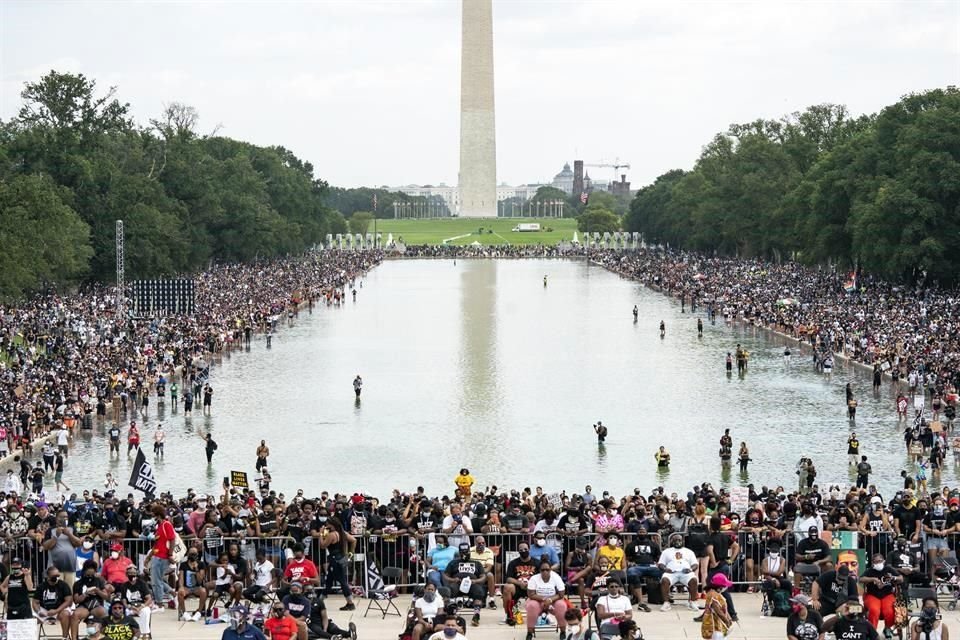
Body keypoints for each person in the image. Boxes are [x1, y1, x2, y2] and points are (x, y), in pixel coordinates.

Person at [860, 552, 902, 638]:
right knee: (874, 610)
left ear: (883, 561)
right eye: (876, 562)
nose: (878, 563)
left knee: (890, 611)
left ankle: (887, 628)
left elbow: (901, 578)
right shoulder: (870, 571)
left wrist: (893, 578)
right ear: (873, 563)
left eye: (880, 561)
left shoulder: (888, 569)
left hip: (887, 594)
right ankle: (872, 631)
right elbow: (861, 579)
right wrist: (872, 579)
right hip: (872, 595)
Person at [524, 560, 568, 640]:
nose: (545, 572)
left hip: (553, 601)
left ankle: (563, 632)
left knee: (561, 605)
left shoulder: (556, 577)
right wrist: (544, 599)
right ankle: (529, 633)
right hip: (538, 601)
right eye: (542, 570)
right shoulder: (534, 578)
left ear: (550, 570)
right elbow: (531, 594)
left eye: (547, 570)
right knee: (531, 606)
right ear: (539, 570)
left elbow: (561, 594)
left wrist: (550, 600)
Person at [657, 533, 700, 612]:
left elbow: (695, 564)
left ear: (683, 541)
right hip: (671, 573)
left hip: (685, 573)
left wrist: (690, 569)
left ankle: (692, 602)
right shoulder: (667, 551)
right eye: (675, 540)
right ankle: (666, 603)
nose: (677, 542)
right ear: (672, 541)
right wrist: (665, 569)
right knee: (664, 580)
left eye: (679, 540)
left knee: (694, 579)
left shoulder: (689, 551)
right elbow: (660, 564)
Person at [144, 503, 176, 607]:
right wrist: (149, 557)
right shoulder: (160, 526)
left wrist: (170, 554)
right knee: (157, 580)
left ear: (157, 514)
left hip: (163, 557)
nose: (152, 516)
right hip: (157, 555)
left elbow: (172, 539)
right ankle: (171, 592)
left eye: (153, 514)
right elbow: (157, 544)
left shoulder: (166, 524)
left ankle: (159, 603)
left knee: (156, 581)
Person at [811, 565, 859, 631]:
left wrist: (845, 606)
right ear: (837, 573)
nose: (840, 581)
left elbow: (855, 600)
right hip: (826, 602)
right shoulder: (830, 574)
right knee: (813, 610)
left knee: (856, 610)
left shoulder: (851, 582)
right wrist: (815, 599)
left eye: (843, 579)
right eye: (839, 578)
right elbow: (815, 583)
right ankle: (819, 630)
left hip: (842, 605)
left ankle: (843, 630)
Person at [502, 541, 537, 626]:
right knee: (507, 587)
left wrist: (531, 584)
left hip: (533, 588)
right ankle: (509, 615)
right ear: (518, 551)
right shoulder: (513, 563)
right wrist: (519, 583)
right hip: (518, 587)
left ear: (529, 549)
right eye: (521, 550)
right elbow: (508, 578)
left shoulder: (537, 562)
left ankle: (543, 615)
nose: (523, 551)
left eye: (525, 549)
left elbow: (541, 578)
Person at [72, 559, 109, 640]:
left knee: (104, 612)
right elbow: (76, 600)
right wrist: (85, 594)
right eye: (88, 575)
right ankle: (74, 638)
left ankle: (103, 637)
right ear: (84, 571)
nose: (90, 577)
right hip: (84, 606)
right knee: (75, 615)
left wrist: (98, 591)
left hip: (96, 605)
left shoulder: (99, 581)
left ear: (95, 572)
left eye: (92, 575)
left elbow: (106, 596)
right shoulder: (78, 583)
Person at [34, 566, 73, 639]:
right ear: (48, 577)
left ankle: (65, 637)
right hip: (45, 611)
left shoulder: (63, 585)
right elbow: (35, 602)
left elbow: (68, 601)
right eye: (54, 576)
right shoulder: (41, 586)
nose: (57, 578)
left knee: (65, 614)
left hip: (59, 610)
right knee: (30, 618)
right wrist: (38, 611)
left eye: (58, 576)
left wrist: (56, 611)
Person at [177, 547, 208, 621]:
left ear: (197, 555)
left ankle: (199, 612)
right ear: (188, 554)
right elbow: (181, 578)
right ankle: (184, 613)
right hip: (186, 587)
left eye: (194, 554)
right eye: (191, 554)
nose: (192, 555)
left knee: (203, 591)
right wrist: (181, 587)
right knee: (180, 592)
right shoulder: (183, 565)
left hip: (197, 587)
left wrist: (196, 569)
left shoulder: (201, 564)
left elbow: (200, 581)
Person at [701, 573, 733, 640]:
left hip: (718, 626)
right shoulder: (713, 596)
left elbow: (722, 609)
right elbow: (718, 611)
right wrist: (726, 620)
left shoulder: (715, 594)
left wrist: (728, 617)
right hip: (714, 628)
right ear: (719, 587)